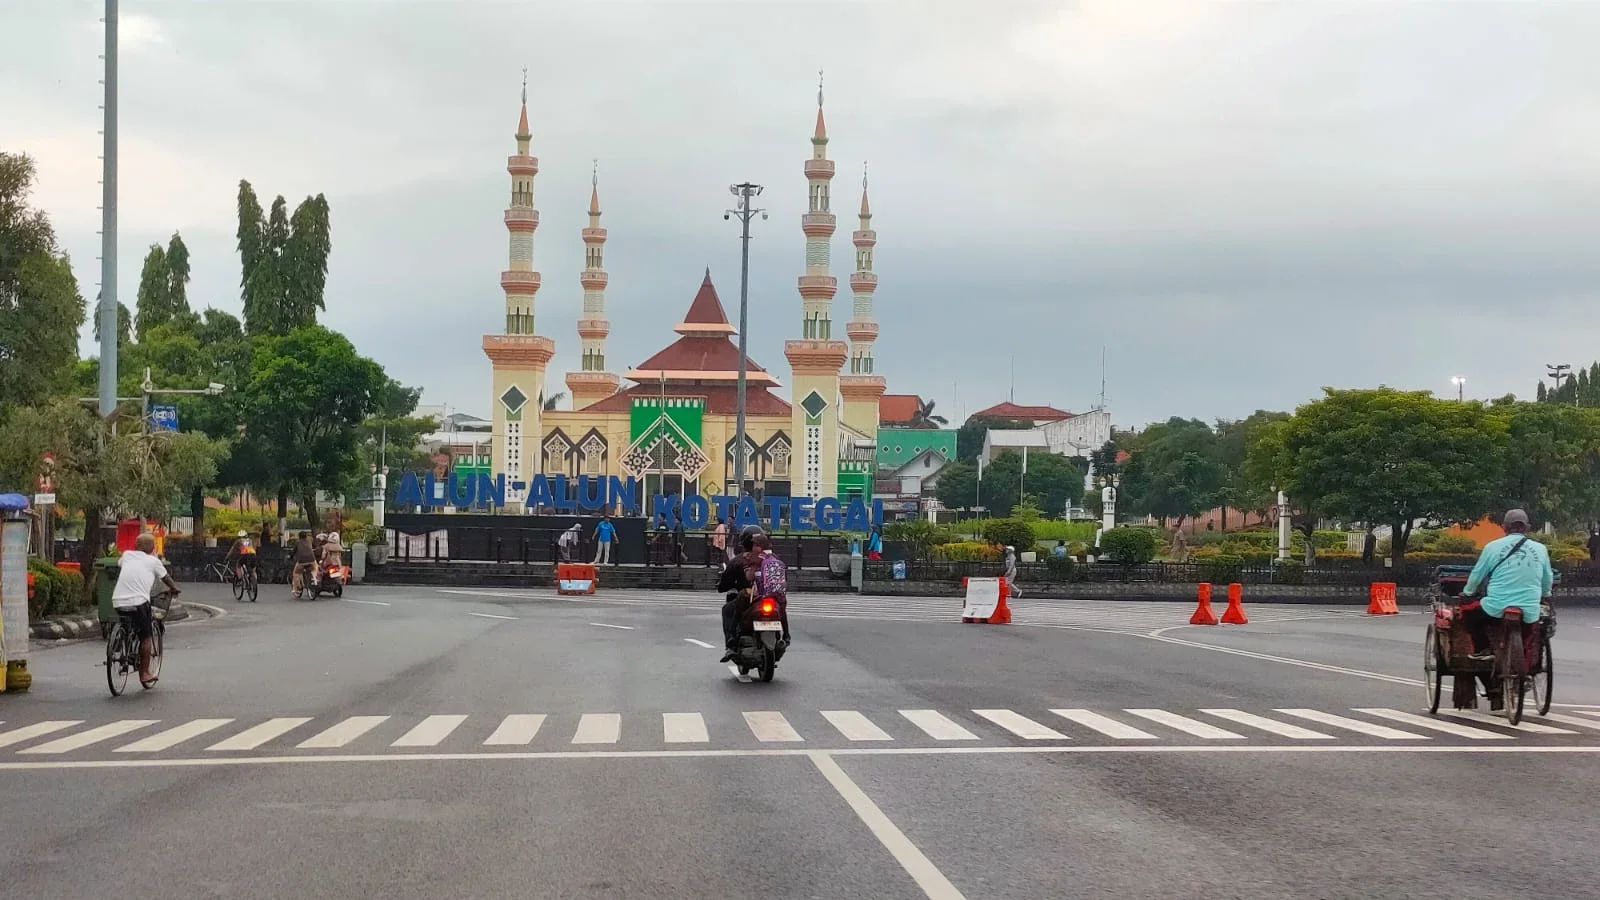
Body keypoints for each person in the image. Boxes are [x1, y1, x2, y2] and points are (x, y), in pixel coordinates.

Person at [1460, 509, 1552, 667]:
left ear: (1504, 527)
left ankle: (1482, 649)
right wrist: (1545, 594)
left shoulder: (1492, 547)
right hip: (1529, 608)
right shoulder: (1540, 549)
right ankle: (1528, 659)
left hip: (1496, 606)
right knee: (1536, 630)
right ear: (1527, 527)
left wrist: (1467, 592)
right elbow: (1547, 578)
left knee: (1468, 613)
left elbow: (1477, 574)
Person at [111, 533, 180, 686]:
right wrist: (175, 588)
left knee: (129, 624)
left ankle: (121, 642)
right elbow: (166, 578)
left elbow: (121, 564)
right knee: (146, 637)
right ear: (153, 547)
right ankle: (145, 673)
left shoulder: (127, 555)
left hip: (118, 601)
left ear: (136, 546)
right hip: (139, 602)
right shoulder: (154, 561)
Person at [715, 525, 790, 661]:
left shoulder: (739, 560)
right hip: (771, 596)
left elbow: (724, 585)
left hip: (752, 599)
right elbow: (784, 578)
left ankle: (731, 643)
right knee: (781, 603)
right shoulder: (774, 559)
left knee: (728, 609)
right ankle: (786, 636)